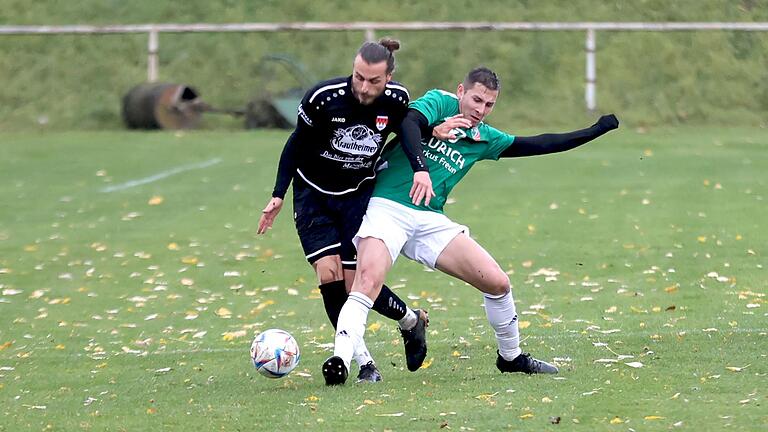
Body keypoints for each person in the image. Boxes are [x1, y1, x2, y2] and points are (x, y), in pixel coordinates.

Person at [323, 66, 620, 385]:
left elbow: (541, 143)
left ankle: (511, 357)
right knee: (366, 281)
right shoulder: (439, 103)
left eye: (489, 104)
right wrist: (420, 169)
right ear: (461, 91)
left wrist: (595, 130)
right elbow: (409, 123)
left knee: (498, 283)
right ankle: (340, 360)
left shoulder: (483, 138)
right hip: (387, 207)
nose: (480, 109)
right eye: (476, 99)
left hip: (429, 219)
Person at [257, 38, 434, 383]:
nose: (364, 88)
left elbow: (408, 131)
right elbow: (296, 143)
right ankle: (365, 363)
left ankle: (411, 321)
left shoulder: (397, 99)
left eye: (373, 81)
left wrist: (421, 164)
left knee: (358, 283)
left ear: (388, 78)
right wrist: (278, 194)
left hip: (356, 195)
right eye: (358, 78)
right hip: (312, 193)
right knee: (328, 275)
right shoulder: (323, 98)